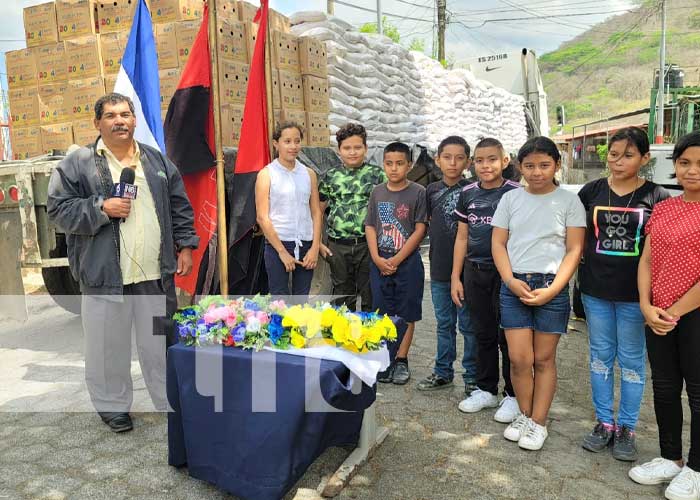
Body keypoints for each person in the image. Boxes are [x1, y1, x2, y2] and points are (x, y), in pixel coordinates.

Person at [47, 93, 199, 433]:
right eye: (112, 115)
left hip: (153, 274)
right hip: (104, 276)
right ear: (97, 123)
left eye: (126, 114)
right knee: (107, 346)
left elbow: (180, 205)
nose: (120, 120)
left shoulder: (156, 161)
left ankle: (168, 398)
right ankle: (113, 406)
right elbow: (57, 210)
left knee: (159, 341)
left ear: (134, 120)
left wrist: (186, 246)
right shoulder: (78, 163)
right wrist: (101, 208)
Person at [577, 127, 670, 461]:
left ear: (644, 158)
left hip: (635, 296)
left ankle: (628, 427)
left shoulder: (658, 197)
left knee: (631, 360)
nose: (618, 162)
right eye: (613, 154)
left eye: (628, 155)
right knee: (600, 357)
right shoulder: (590, 191)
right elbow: (574, 237)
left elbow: (662, 250)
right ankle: (605, 422)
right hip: (595, 291)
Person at [491, 136, 586, 451]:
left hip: (552, 286)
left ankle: (539, 423)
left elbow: (574, 249)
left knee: (544, 359)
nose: (536, 172)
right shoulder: (510, 200)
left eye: (544, 165)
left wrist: (554, 289)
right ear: (519, 166)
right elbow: (499, 243)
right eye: (529, 165)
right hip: (514, 285)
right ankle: (525, 413)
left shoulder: (569, 202)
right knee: (519, 359)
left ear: (557, 165)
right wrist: (508, 279)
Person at [629, 131, 700, 499]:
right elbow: (648, 259)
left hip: (690, 315)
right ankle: (671, 458)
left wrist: (671, 312)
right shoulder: (666, 206)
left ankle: (698, 468)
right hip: (657, 312)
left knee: (699, 392)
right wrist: (645, 303)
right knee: (666, 387)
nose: (692, 171)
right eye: (685, 162)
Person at [452, 137, 521, 423]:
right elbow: (462, 236)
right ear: (473, 164)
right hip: (475, 272)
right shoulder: (467, 193)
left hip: (508, 274)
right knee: (483, 333)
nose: (485, 165)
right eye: (479, 160)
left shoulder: (517, 193)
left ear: (505, 161)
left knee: (509, 336)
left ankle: (513, 395)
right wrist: (456, 277)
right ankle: (486, 389)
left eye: (492, 159)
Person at [416, 136, 477, 394]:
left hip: (469, 271)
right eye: (447, 157)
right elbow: (426, 223)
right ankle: (443, 371)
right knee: (443, 323)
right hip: (440, 269)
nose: (453, 163)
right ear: (437, 159)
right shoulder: (430, 191)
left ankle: (473, 376)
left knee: (469, 326)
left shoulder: (474, 189)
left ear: (468, 161)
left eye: (459, 157)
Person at [365, 142, 427, 385]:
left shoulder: (418, 192)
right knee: (382, 312)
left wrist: (398, 259)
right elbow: (370, 225)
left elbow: (420, 229)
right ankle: (385, 359)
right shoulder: (377, 192)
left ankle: (401, 360)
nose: (394, 169)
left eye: (400, 163)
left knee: (406, 313)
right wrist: (377, 258)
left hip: (407, 263)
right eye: (389, 163)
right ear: (383, 165)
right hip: (379, 261)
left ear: (409, 165)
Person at [318, 123, 385, 311]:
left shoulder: (377, 175)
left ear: (366, 148)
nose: (352, 152)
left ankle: (368, 336)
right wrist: (319, 243)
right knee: (342, 294)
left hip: (368, 244)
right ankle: (342, 336)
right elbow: (317, 211)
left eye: (357, 147)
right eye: (347, 148)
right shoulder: (331, 177)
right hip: (338, 246)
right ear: (339, 150)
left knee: (369, 291)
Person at [255, 122, 322, 297]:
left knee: (301, 298)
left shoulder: (309, 174)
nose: (293, 146)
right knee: (279, 298)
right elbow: (262, 217)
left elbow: (316, 212)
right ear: (276, 143)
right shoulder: (266, 174)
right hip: (279, 243)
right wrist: (282, 252)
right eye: (287, 141)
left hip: (305, 243)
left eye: (297, 141)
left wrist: (315, 247)